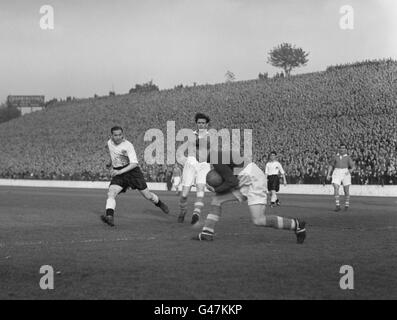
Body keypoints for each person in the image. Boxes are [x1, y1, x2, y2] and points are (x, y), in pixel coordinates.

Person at [192, 150, 306, 244]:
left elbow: (232, 182)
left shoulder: (215, 158)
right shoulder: (216, 155)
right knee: (217, 200)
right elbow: (232, 177)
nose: (195, 155)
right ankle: (207, 233)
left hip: (251, 178)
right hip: (247, 176)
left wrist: (216, 189)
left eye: (196, 151)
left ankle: (296, 225)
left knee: (258, 220)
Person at [101, 126, 169, 226]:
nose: (118, 137)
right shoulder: (109, 142)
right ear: (111, 136)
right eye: (115, 135)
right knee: (111, 193)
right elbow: (114, 154)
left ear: (122, 134)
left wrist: (119, 172)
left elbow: (134, 164)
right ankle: (109, 217)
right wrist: (110, 163)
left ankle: (159, 203)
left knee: (148, 195)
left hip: (132, 172)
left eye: (120, 135)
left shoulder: (128, 145)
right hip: (119, 173)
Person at [178, 113, 211, 225]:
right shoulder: (191, 135)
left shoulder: (210, 136)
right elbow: (184, 147)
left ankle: (196, 214)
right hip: (191, 163)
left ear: (207, 124)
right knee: (184, 194)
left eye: (203, 123)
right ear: (196, 123)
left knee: (200, 189)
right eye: (199, 123)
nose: (201, 125)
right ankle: (183, 211)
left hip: (203, 164)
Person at [327, 143, 355, 212]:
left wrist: (350, 170)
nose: (342, 149)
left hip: (345, 172)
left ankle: (346, 205)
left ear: (345, 149)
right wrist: (328, 174)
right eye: (341, 148)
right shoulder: (335, 157)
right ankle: (337, 205)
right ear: (339, 149)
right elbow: (331, 165)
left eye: (343, 148)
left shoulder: (348, 157)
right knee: (336, 187)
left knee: (346, 190)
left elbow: (353, 167)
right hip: (337, 171)